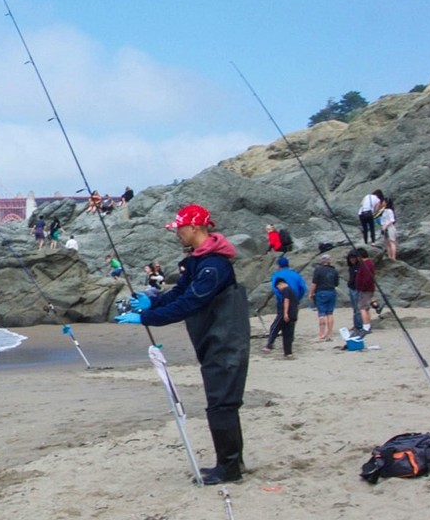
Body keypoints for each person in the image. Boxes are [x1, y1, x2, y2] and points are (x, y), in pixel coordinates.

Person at [115, 204, 251, 485]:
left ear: (195, 228)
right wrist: (152, 302)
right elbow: (179, 293)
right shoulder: (199, 261)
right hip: (214, 340)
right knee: (223, 403)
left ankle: (229, 468)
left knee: (221, 405)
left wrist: (147, 319)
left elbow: (190, 303)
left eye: (179, 228)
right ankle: (233, 462)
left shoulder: (214, 265)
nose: (176, 233)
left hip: (225, 341)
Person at [262, 257, 307, 354]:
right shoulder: (296, 275)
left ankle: (269, 344)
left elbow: (276, 289)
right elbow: (303, 288)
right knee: (290, 325)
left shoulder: (277, 276)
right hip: (294, 303)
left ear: (279, 265)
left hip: (283, 303)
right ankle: (288, 350)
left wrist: (282, 298)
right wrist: (297, 298)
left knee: (277, 324)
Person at [308, 255, 340, 341]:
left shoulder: (318, 270)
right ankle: (329, 334)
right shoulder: (334, 270)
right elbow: (336, 283)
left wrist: (311, 293)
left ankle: (321, 333)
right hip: (332, 292)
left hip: (321, 292)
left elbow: (314, 283)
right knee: (330, 313)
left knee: (321, 314)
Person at [267, 278, 299, 358]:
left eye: (278, 287)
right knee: (287, 334)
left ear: (280, 284)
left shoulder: (285, 290)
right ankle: (288, 353)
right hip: (293, 315)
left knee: (274, 328)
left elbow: (286, 301)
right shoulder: (293, 291)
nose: (279, 290)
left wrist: (285, 313)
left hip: (285, 314)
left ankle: (269, 345)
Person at [353, 248, 377, 335]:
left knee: (362, 308)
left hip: (365, 289)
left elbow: (366, 278)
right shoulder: (369, 263)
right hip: (368, 289)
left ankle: (366, 327)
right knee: (366, 308)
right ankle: (368, 325)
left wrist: (362, 287)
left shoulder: (365, 264)